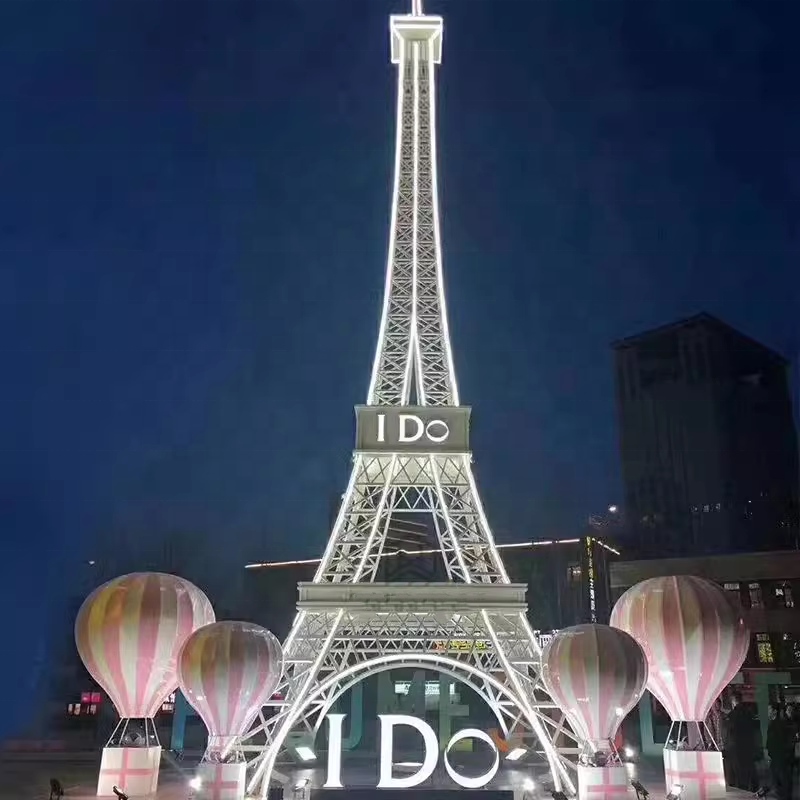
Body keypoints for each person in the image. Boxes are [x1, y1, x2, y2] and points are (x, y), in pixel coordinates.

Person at [725, 691, 759, 791]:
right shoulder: (748, 713)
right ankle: (753, 790)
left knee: (739, 775)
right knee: (750, 771)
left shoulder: (732, 715)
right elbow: (753, 730)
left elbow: (730, 733)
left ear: (733, 701)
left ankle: (743, 792)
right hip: (748, 748)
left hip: (736, 749)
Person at [767, 703, 794, 800]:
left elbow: (778, 742)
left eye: (769, 709)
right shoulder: (775, 723)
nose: (767, 712)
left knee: (782, 781)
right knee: (779, 782)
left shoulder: (778, 725)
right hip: (777, 758)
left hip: (780, 758)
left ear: (775, 711)